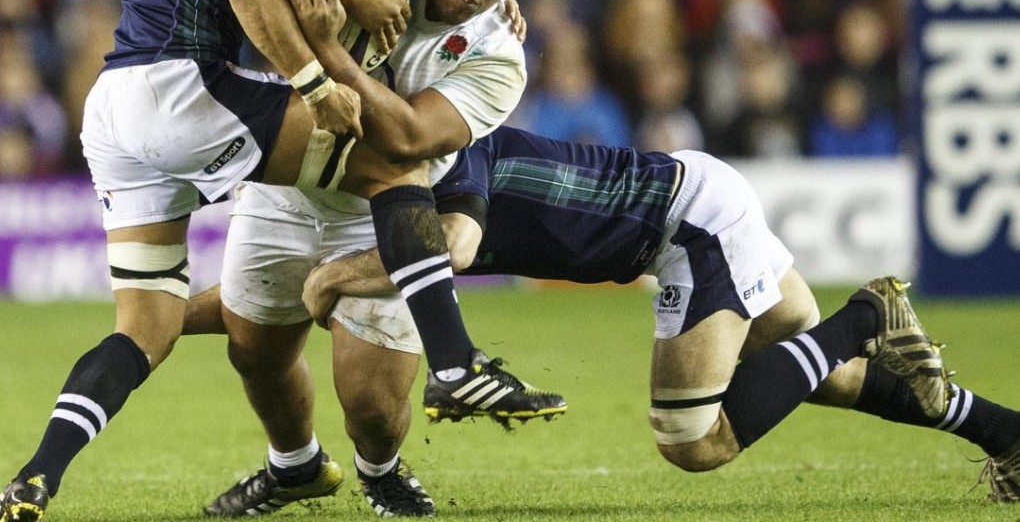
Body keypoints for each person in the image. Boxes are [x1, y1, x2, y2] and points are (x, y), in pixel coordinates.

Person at [0, 0, 551, 522]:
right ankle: (456, 362)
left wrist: (337, 36)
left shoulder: (498, 49)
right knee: (372, 190)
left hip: (120, 106)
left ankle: (35, 476)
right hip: (188, 97)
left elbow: (411, 132)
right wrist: (325, 69)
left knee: (151, 327)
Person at [190, 124, 1020, 512]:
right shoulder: (397, 160)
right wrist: (173, 317)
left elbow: (454, 245)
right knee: (816, 377)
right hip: (696, 195)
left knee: (693, 440)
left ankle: (867, 311)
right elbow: (273, 296)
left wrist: (336, 276)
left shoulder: (442, 143)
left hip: (685, 226)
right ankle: (1005, 433)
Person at [187, 0, 561, 518]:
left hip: (384, 216)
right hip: (285, 189)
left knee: (373, 406)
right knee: (256, 357)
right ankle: (295, 464)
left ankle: (380, 470)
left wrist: (330, 50)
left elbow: (406, 138)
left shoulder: (501, 53)